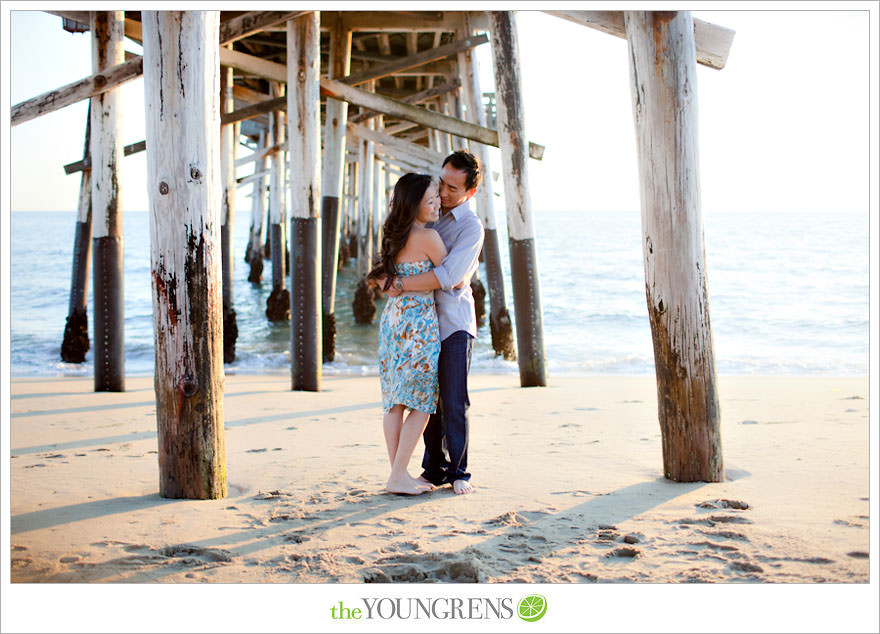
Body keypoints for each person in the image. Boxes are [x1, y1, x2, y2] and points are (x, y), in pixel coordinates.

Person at [382, 151, 485, 496]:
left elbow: (452, 277)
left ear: (470, 192)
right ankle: (432, 468)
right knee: (428, 399)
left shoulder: (471, 227)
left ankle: (460, 472)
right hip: (424, 324)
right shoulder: (431, 215)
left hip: (454, 322)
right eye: (441, 183)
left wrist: (399, 285)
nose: (442, 194)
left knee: (453, 400)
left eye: (452, 189)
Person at [367, 173, 447, 495]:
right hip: (418, 325)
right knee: (424, 403)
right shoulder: (428, 238)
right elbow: (450, 277)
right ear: (414, 206)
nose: (437, 203)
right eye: (430, 200)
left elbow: (386, 283)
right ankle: (399, 474)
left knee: (394, 402)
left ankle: (397, 474)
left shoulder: (392, 237)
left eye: (437, 197)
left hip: (393, 323)